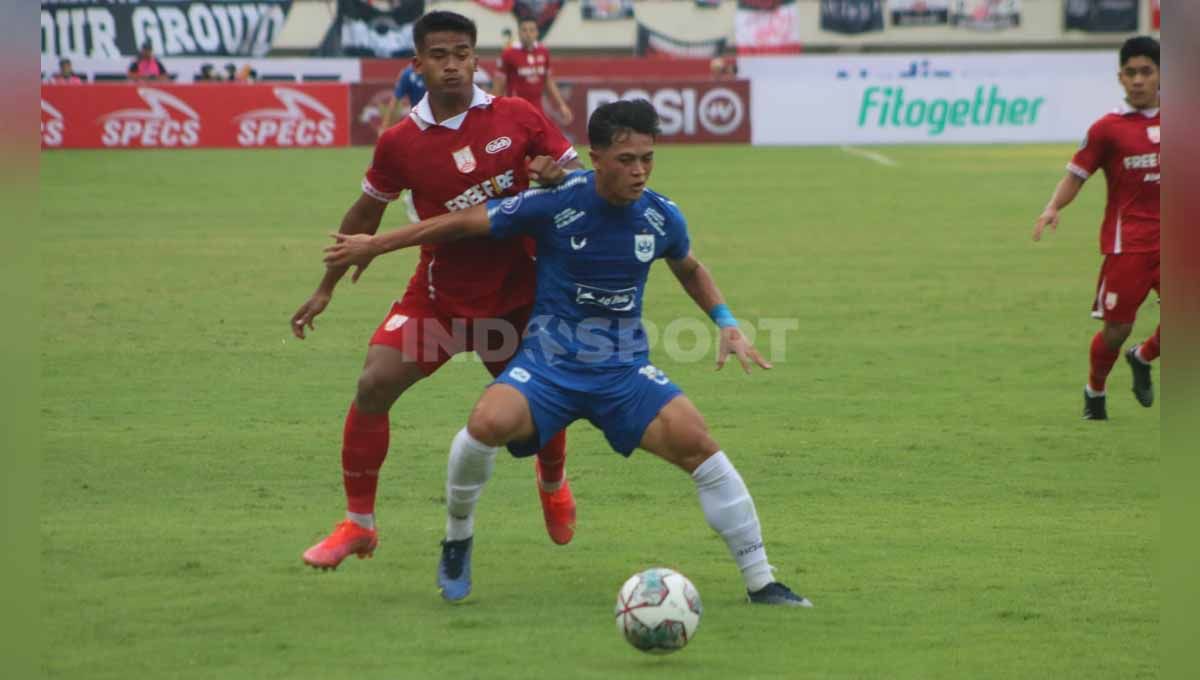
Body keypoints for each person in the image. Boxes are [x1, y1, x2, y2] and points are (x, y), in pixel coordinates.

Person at [323, 99, 813, 608]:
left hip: (623, 370)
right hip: (548, 366)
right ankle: (457, 538)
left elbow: (688, 266)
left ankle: (763, 583)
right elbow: (461, 223)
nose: (639, 171)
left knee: (703, 449)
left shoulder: (661, 215)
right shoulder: (554, 203)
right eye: (626, 160)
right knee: (483, 425)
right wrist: (376, 245)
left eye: (647, 158)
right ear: (595, 157)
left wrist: (727, 324)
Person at [294, 11, 584, 571]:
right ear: (417, 64)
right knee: (374, 383)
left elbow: (577, 176)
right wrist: (325, 287)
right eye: (440, 55)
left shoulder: (517, 115)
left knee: (542, 409)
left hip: (520, 294)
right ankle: (359, 525)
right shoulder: (400, 142)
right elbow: (364, 212)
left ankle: (552, 483)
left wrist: (556, 176)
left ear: (477, 58)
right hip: (442, 298)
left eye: (462, 53)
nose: (452, 65)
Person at [1033, 36, 1161, 420]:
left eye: (1146, 72)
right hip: (1128, 247)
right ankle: (1096, 391)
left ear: (1161, 75)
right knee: (1116, 330)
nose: (1138, 80)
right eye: (1130, 73)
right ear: (1120, 78)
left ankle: (1143, 356)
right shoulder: (1108, 128)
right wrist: (1053, 206)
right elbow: (1077, 174)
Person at [493, 18, 573, 126]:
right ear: (519, 32)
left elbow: (548, 81)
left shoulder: (543, 52)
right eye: (524, 30)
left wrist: (561, 105)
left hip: (537, 109)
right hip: (516, 109)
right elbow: (499, 86)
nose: (528, 34)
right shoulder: (509, 54)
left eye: (531, 30)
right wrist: (493, 110)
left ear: (537, 33)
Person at [380, 64, 427, 131]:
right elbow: (395, 101)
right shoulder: (407, 74)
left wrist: (384, 127)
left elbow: (394, 102)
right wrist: (385, 126)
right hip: (420, 120)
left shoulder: (407, 73)